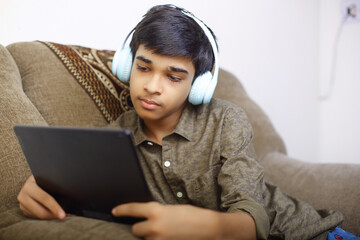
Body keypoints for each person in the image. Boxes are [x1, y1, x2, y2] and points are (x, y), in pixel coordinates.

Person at [17, 4, 357, 240]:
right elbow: (71, 172)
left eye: (174, 76)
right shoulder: (111, 139)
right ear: (126, 65)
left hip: (312, 233)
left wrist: (210, 227)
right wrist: (44, 183)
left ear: (199, 86)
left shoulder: (227, 121)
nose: (152, 86)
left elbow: (253, 214)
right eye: (144, 67)